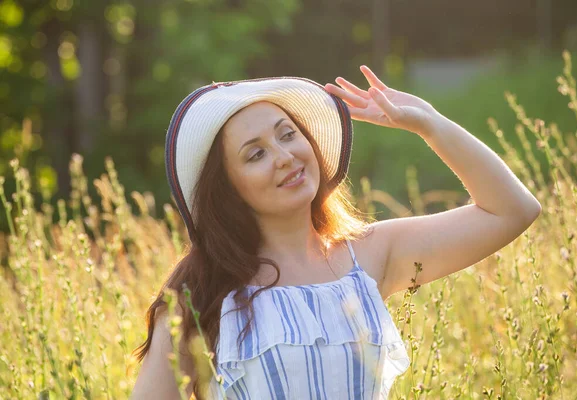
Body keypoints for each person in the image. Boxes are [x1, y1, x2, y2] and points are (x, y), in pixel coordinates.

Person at [130, 66, 542, 399]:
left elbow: (513, 210)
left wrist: (429, 124)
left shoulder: (370, 255)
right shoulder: (202, 294)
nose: (284, 156)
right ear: (228, 190)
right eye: (255, 154)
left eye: (288, 134)